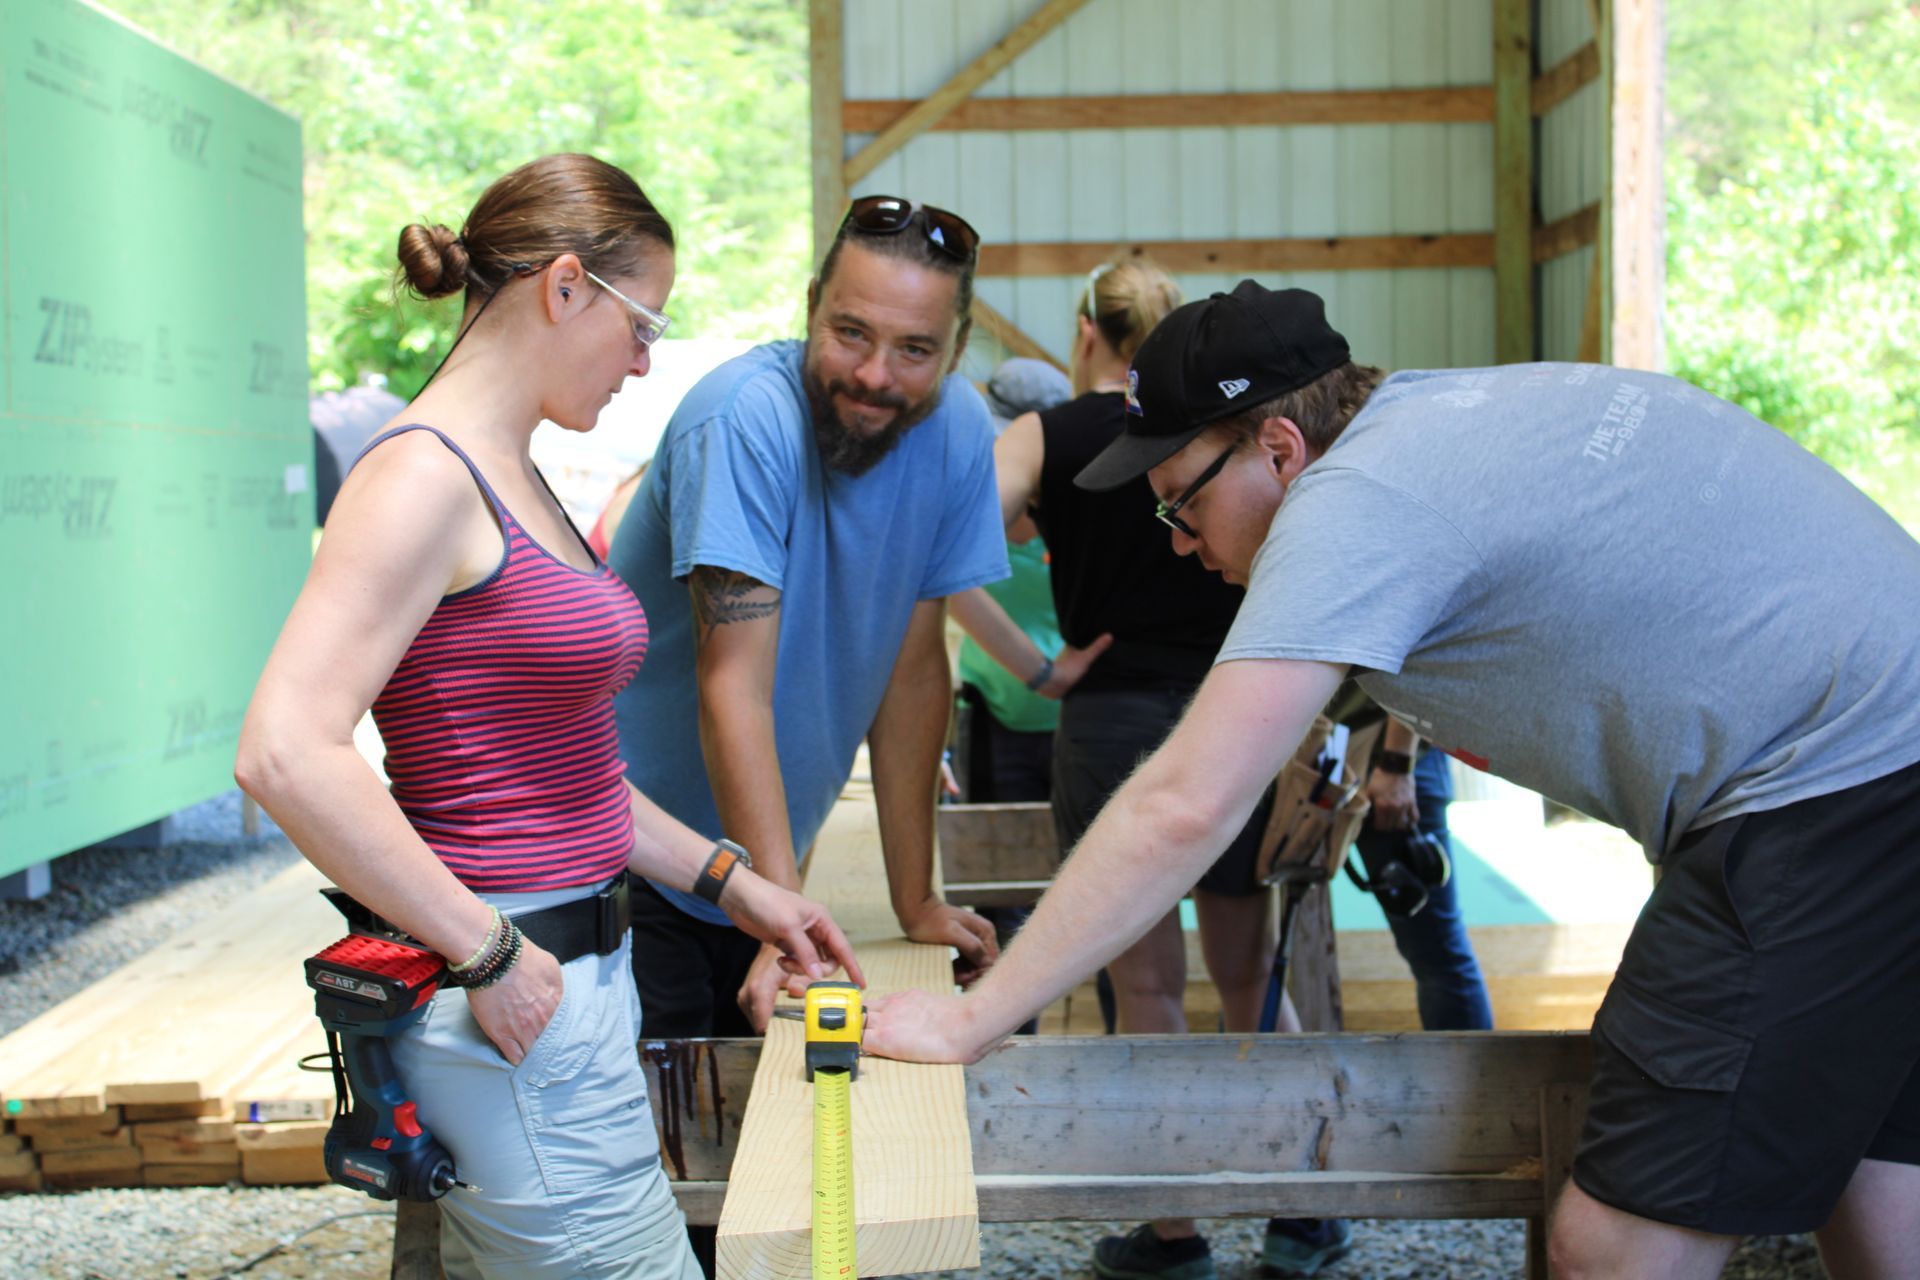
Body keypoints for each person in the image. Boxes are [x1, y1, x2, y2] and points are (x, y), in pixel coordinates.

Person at [865, 280, 1920, 1280]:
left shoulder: (1351, 500)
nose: (1182, 545)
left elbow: (1182, 800)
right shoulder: (1434, 417)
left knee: (1611, 1242)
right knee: (1877, 1174)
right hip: (1880, 748)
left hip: (1830, 792)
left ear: (1278, 447)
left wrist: (971, 1017)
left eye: (1180, 506)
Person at [235, 154, 862, 1280]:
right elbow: (286, 750)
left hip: (565, 983)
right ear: (564, 286)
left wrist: (738, 883)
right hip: (517, 991)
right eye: (641, 322)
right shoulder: (422, 478)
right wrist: (487, 950)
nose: (645, 357)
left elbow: (568, 775)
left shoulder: (512, 469)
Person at [606, 195, 1007, 1031]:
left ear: (958, 349)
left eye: (915, 350)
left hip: (757, 869)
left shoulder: (961, 431)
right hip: (635, 853)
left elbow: (912, 670)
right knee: (667, 1141)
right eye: (850, 332)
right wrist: (780, 917)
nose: (873, 374)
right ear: (811, 303)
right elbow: (733, 687)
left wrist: (916, 898)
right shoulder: (744, 419)